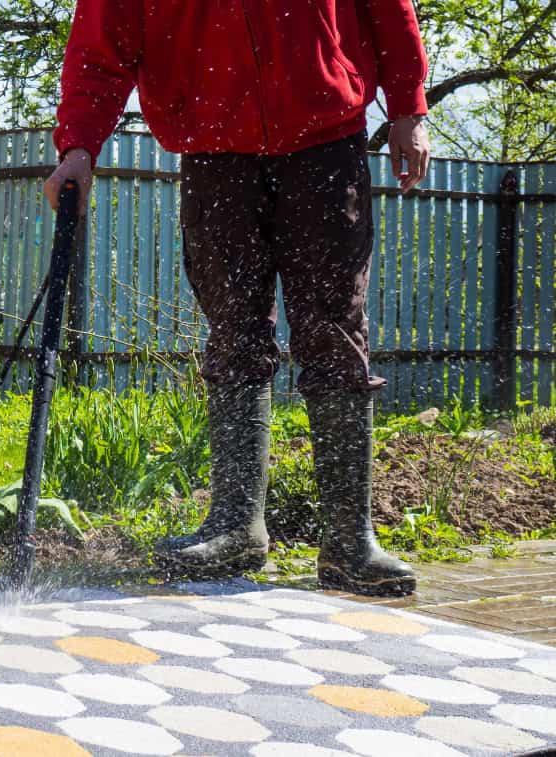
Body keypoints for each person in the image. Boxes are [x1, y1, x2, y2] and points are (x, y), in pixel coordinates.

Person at [43, 0, 432, 596]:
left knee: (335, 331)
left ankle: (350, 541)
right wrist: (78, 147)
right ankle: (235, 526)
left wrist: (408, 108)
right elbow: (102, 47)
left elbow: (389, 10)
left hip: (324, 140)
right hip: (214, 146)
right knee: (233, 330)